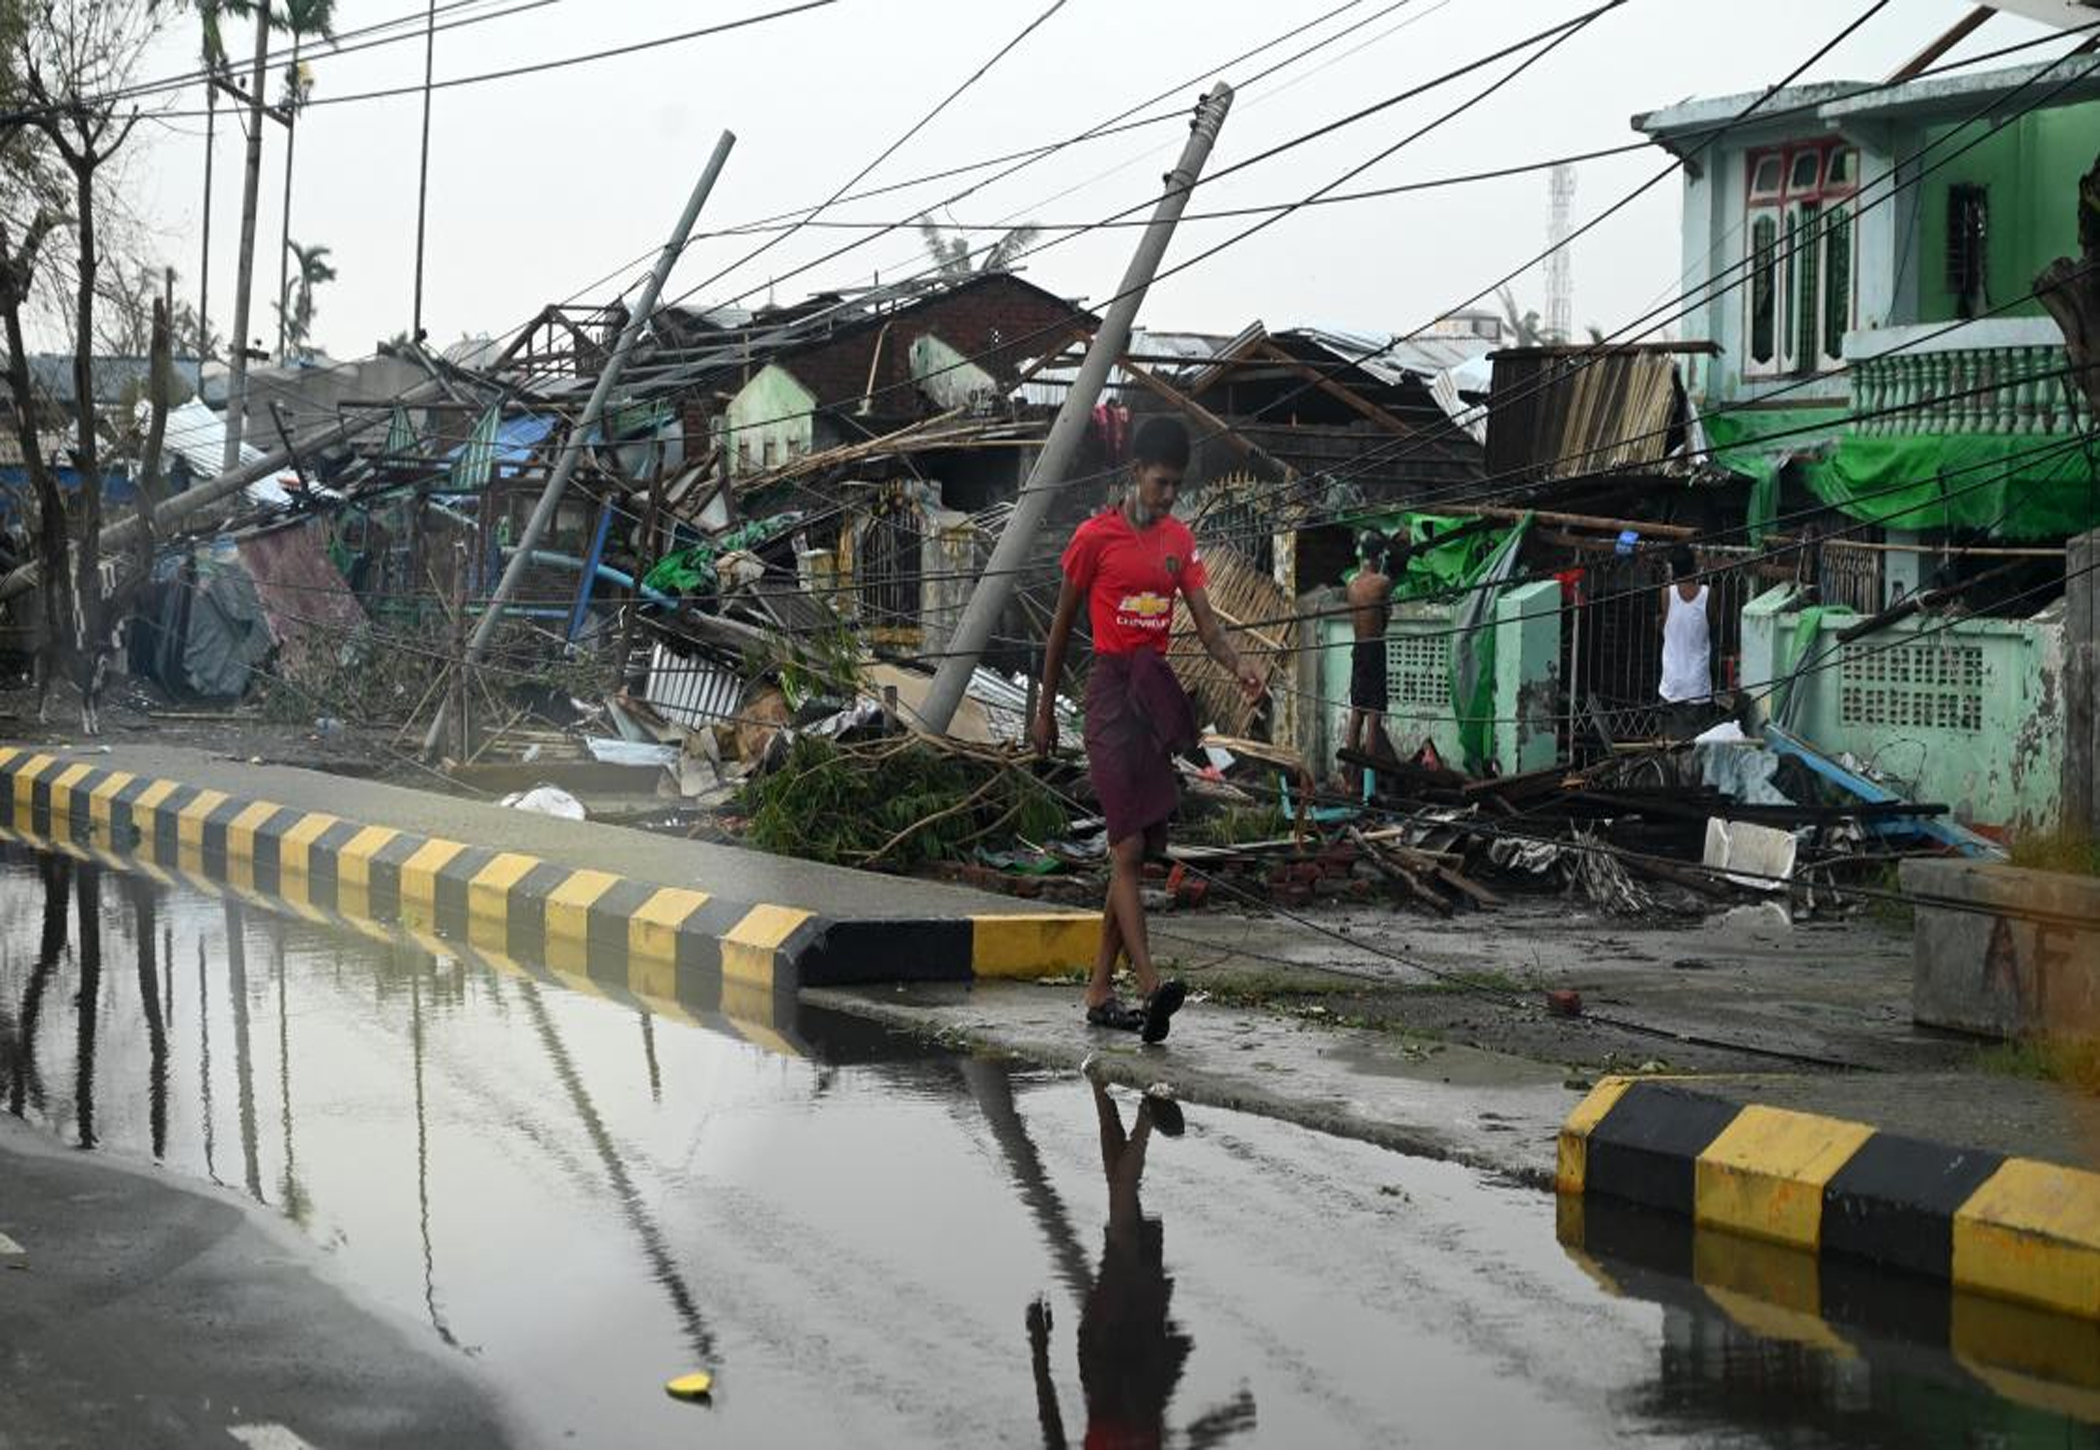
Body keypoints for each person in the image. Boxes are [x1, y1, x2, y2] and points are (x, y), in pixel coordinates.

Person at [1032, 417, 1264, 1042]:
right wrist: (1045, 708)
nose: (1167, 495)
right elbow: (1059, 630)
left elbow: (1207, 625)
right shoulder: (1093, 538)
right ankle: (1149, 985)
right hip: (1108, 696)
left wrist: (1240, 665)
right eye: (1160, 483)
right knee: (1128, 847)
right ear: (1135, 472)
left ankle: (1100, 989)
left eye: (1176, 486)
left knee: (1138, 848)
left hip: (1153, 693)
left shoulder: (1179, 542)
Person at [1343, 531, 1393, 790]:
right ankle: (1368, 786)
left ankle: (1349, 781)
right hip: (1374, 649)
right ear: (1379, 556)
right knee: (1374, 715)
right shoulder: (1383, 582)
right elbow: (1385, 619)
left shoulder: (1351, 584)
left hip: (1358, 649)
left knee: (1356, 714)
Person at [1657, 544, 1713, 738]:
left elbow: (1665, 626)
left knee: (1668, 744)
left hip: (1671, 682)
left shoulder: (1666, 593)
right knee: (1696, 744)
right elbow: (1713, 628)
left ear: (1673, 569)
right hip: (1697, 684)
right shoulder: (1707, 595)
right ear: (1694, 567)